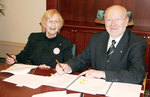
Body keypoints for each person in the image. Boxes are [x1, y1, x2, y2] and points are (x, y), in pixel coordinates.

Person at [56, 5, 147, 84]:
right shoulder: (96, 38)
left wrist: (104, 74)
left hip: (121, 90)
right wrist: (68, 66)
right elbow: (82, 60)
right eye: (109, 19)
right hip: (96, 88)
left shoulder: (136, 42)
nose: (113, 24)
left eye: (118, 19)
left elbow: (137, 75)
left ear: (126, 21)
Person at [6, 9, 73, 69]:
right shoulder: (34, 38)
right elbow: (24, 56)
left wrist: (51, 69)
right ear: (44, 24)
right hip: (35, 75)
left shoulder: (66, 43)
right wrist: (14, 58)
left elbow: (68, 65)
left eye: (56, 21)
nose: (53, 24)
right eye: (50, 21)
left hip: (54, 77)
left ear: (60, 25)